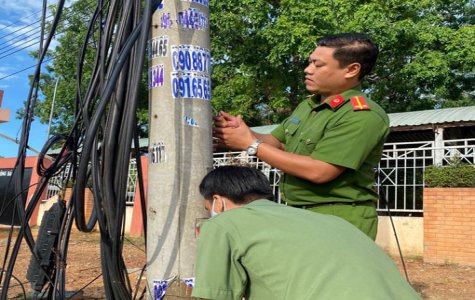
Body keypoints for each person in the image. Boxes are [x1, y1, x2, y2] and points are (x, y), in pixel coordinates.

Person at [213, 33, 389, 240]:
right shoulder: (309, 105)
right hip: (298, 212)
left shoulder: (361, 114)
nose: (308, 69)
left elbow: (320, 170)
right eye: (309, 62)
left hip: (337, 218)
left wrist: (251, 144)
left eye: (318, 64)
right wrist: (242, 131)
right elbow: (277, 141)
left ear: (351, 70)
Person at [191, 166, 421, 300]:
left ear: (218, 202)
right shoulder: (330, 221)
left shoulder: (223, 224)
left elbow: (213, 296)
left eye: (207, 207)